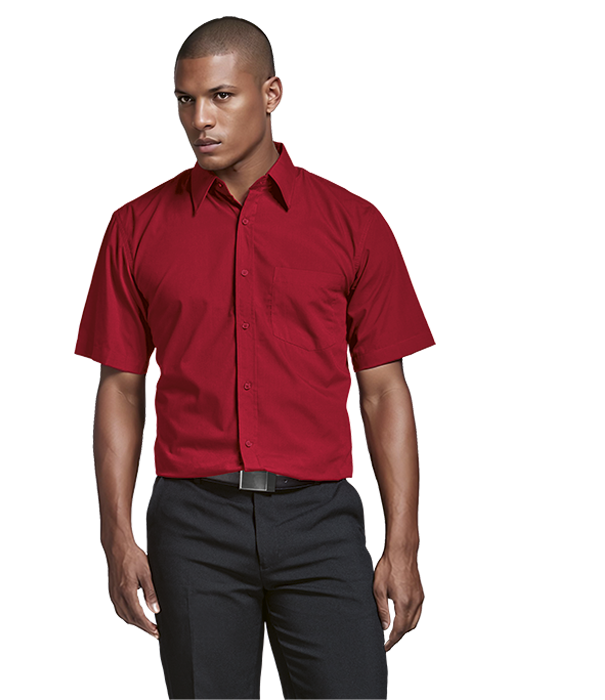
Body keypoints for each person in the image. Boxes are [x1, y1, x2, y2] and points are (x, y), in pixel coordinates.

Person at [75, 17, 435, 700]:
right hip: (191, 523)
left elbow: (385, 390)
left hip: (321, 520)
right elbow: (120, 386)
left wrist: (403, 545)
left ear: (271, 94)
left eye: (221, 96)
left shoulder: (354, 225)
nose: (199, 120)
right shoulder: (136, 228)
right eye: (186, 101)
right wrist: (116, 536)